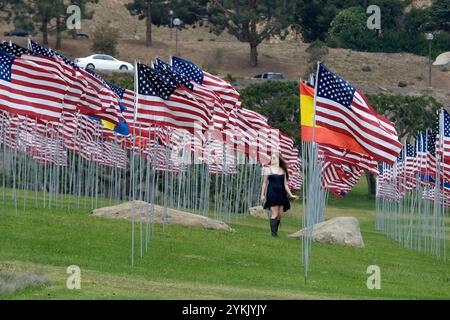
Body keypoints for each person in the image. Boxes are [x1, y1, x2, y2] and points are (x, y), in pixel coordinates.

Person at [260, 153, 298, 237]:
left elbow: (285, 184)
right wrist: (262, 195)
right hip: (272, 192)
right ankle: (273, 234)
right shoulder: (267, 170)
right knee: (275, 213)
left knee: (280, 214)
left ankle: (275, 232)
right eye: (272, 158)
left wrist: (291, 195)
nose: (272, 159)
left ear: (278, 159)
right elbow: (264, 183)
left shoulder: (283, 171)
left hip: (281, 194)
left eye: (274, 158)